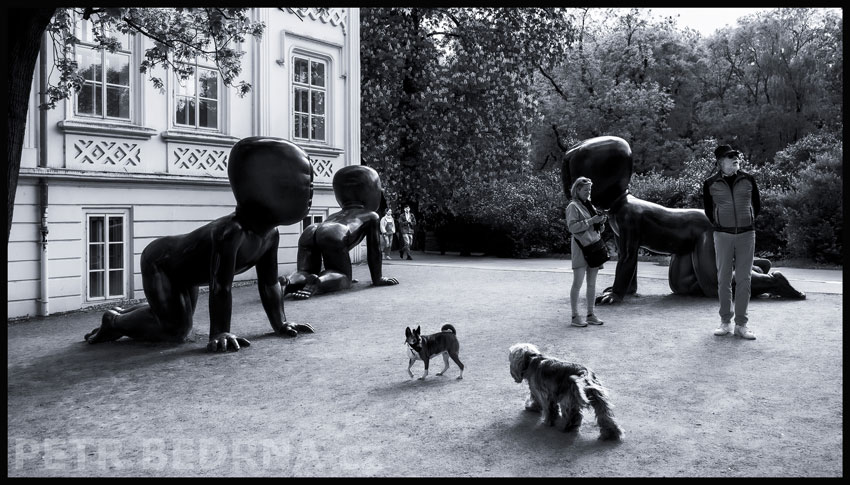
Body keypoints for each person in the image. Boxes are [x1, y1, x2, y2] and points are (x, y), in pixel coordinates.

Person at [84, 137, 315, 352]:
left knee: (175, 320)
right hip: (162, 263)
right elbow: (220, 287)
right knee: (175, 331)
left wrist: (281, 324)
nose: (311, 192)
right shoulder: (231, 233)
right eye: (304, 185)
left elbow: (269, 283)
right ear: (267, 189)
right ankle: (114, 320)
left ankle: (126, 314)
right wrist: (220, 332)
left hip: (187, 272)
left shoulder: (270, 234)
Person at [281, 165, 399, 299]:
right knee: (343, 277)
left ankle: (289, 282)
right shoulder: (371, 216)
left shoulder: (334, 215)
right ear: (371, 192)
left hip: (313, 229)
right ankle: (320, 281)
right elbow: (374, 250)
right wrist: (378, 278)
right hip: (336, 232)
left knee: (305, 271)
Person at [703, 144, 760, 340]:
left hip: (747, 235)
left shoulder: (749, 179)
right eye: (730, 157)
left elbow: (757, 205)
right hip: (723, 236)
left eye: (736, 155)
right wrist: (721, 225)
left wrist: (748, 222)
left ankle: (741, 325)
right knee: (724, 279)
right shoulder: (710, 183)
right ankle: (725, 322)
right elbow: (709, 211)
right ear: (720, 162)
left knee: (745, 279)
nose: (735, 158)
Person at [565, 177, 607, 327]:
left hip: (594, 247)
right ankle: (575, 316)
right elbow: (572, 228)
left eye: (589, 190)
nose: (588, 192)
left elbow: (597, 228)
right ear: (577, 190)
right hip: (581, 248)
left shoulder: (590, 205)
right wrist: (591, 221)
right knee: (577, 283)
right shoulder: (573, 206)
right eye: (585, 190)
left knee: (592, 284)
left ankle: (590, 314)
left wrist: (601, 223)